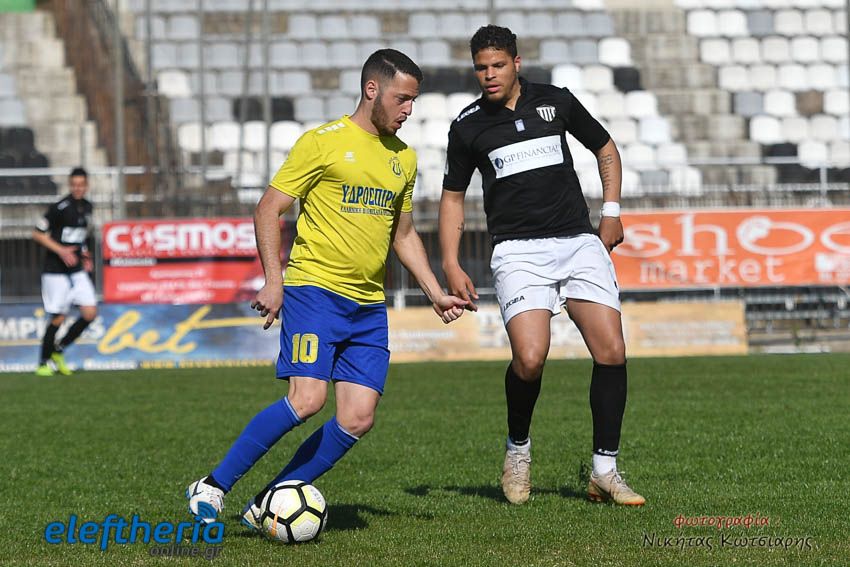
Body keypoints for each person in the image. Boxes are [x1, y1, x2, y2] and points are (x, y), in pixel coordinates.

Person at [186, 49, 468, 527]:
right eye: (402, 99)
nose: (409, 110)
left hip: (368, 305)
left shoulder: (404, 158)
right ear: (372, 90)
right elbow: (268, 208)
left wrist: (435, 291)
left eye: (413, 101)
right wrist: (274, 280)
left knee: (358, 417)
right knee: (308, 400)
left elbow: (402, 234)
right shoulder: (322, 143)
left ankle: (267, 503)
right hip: (315, 291)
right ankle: (212, 486)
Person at [439, 25, 644, 506]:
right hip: (517, 252)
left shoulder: (556, 101)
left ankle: (604, 471)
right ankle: (517, 450)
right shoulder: (467, 126)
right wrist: (449, 261)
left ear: (516, 63)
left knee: (612, 351)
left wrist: (611, 212)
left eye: (498, 65)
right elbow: (452, 197)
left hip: (577, 241)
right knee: (530, 360)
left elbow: (605, 148)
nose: (489, 75)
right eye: (481, 68)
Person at [32, 167, 97, 377]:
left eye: (81, 185)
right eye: (74, 185)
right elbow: (37, 234)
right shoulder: (59, 208)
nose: (78, 188)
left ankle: (58, 350)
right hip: (55, 271)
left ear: (86, 186)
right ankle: (43, 362)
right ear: (70, 185)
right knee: (58, 317)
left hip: (76, 270)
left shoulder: (87, 207)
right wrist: (61, 250)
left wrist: (85, 255)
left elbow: (80, 236)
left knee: (90, 313)